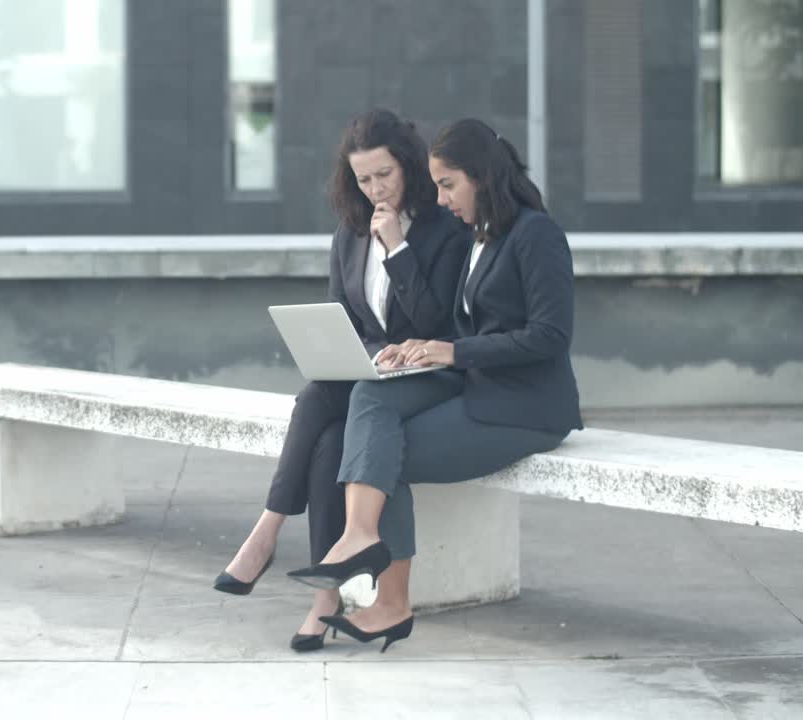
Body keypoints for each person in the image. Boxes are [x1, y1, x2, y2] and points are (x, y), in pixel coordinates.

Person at [283, 117, 583, 652]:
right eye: (438, 185)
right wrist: (415, 350)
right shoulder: (480, 236)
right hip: (481, 391)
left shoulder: (537, 234)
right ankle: (372, 565)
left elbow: (550, 336)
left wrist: (452, 350)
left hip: (528, 410)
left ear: (483, 178)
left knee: (381, 451)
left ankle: (383, 587)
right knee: (374, 418)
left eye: (448, 185)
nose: (441, 199)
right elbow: (448, 322)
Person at [212, 108, 471, 653]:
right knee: (327, 434)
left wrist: (397, 250)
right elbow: (344, 319)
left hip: (429, 380)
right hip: (376, 375)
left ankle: (267, 533)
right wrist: (367, 355)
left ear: (409, 166)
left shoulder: (444, 231)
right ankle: (323, 598)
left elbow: (433, 323)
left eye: (385, 174)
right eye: (363, 178)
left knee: (319, 409)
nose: (375, 188)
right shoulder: (349, 234)